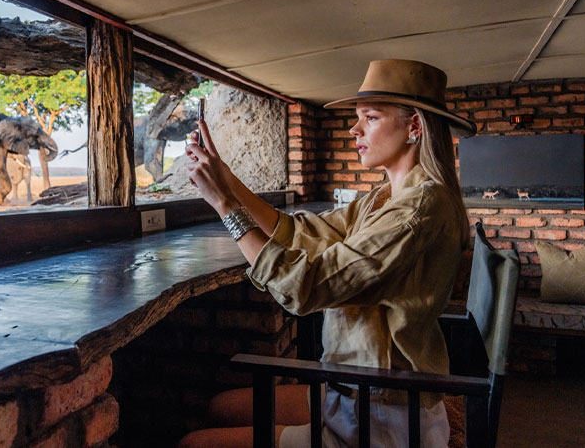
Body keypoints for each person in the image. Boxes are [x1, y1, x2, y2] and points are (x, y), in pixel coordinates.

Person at [179, 58, 477, 448]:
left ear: (414, 126)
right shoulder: (388, 196)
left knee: (193, 443)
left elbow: (307, 287)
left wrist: (224, 207)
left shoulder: (418, 211)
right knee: (223, 405)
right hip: (355, 391)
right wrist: (227, 179)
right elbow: (302, 232)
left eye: (370, 117)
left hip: (380, 419)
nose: (354, 129)